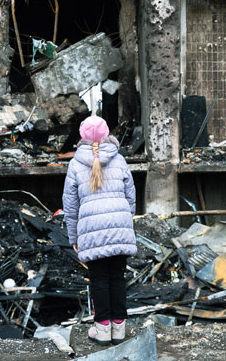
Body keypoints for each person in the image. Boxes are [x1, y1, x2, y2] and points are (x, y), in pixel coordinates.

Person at [62, 115, 137, 345]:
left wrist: (73, 236)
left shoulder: (75, 163)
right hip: (120, 225)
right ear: (107, 135)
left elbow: (70, 206)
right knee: (117, 277)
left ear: (82, 137)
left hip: (91, 230)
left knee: (99, 280)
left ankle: (102, 329)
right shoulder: (120, 160)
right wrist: (125, 222)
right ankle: (119, 328)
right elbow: (131, 197)